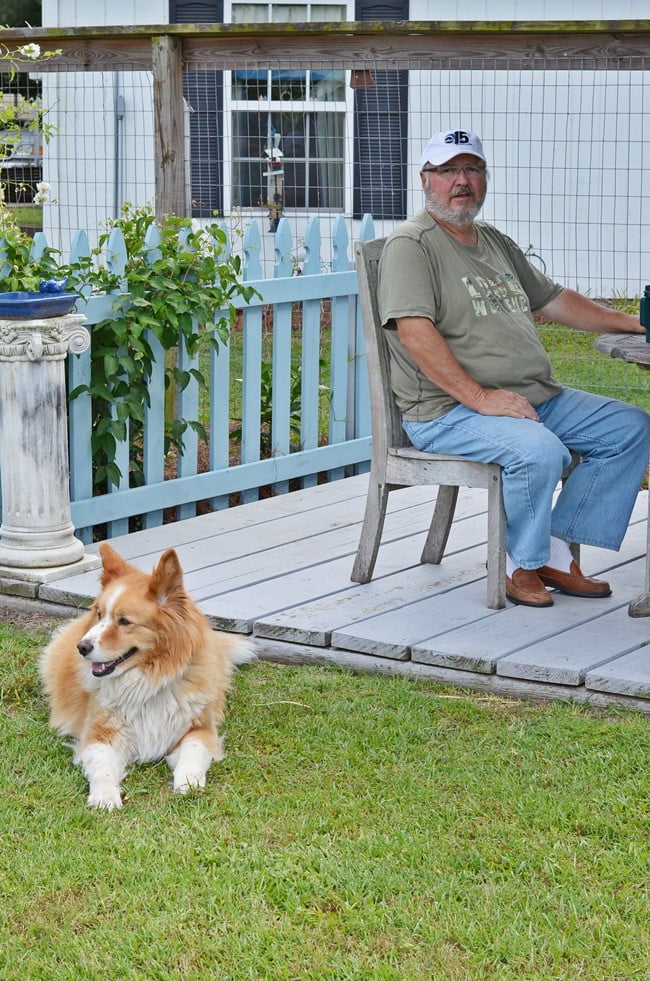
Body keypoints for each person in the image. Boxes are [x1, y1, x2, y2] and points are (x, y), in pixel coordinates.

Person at [378, 128, 650, 608]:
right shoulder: (411, 244)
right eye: (448, 171)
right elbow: (415, 332)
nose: (461, 181)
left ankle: (556, 552)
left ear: (484, 178)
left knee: (629, 429)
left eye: (472, 169)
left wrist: (636, 323)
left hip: (531, 396)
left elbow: (556, 300)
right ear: (426, 179)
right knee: (540, 452)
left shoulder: (493, 240)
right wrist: (482, 398)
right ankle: (517, 562)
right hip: (449, 410)